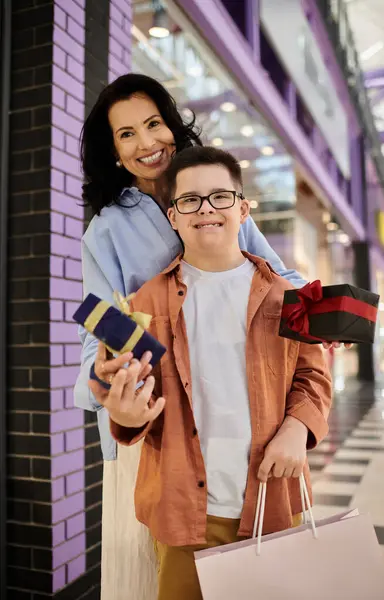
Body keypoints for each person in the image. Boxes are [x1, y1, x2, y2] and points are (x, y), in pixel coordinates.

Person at [74, 73, 346, 599]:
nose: (146, 142)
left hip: (252, 432)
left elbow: (279, 279)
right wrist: (109, 389)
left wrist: (322, 315)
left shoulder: (216, 196)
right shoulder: (108, 234)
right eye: (126, 134)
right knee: (166, 570)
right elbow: (102, 335)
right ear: (113, 151)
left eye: (154, 123)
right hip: (163, 425)